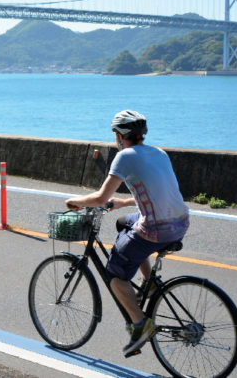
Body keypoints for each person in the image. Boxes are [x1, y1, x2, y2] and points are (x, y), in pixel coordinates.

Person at [65, 110, 189, 357]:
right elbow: (159, 193)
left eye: (114, 134)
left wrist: (76, 200)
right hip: (181, 223)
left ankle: (140, 324)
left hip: (155, 229)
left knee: (114, 274)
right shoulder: (159, 153)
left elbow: (100, 197)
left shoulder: (124, 157)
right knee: (124, 223)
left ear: (120, 136)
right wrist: (123, 203)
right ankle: (150, 285)